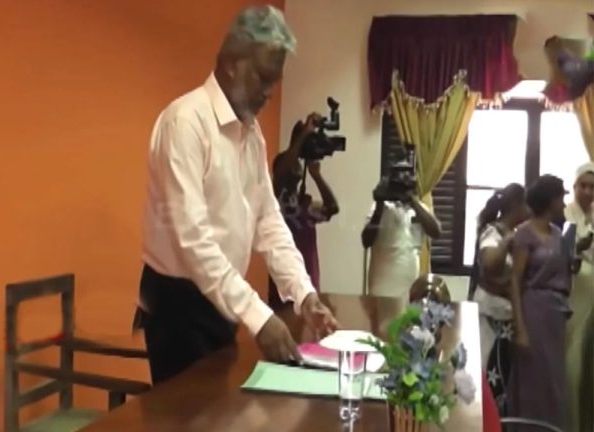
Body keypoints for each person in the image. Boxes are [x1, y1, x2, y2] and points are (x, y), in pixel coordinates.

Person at [139, 5, 339, 385]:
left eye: (274, 81)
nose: (269, 92)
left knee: (222, 410)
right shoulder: (185, 123)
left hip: (221, 299)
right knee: (189, 414)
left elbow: (268, 220)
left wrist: (304, 294)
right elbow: (193, 241)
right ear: (231, 63)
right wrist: (259, 316)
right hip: (178, 309)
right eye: (263, 77)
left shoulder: (251, 133)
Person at [507, 175, 571, 429]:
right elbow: (515, 280)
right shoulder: (525, 233)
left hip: (555, 313)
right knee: (533, 377)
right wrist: (520, 328)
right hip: (533, 310)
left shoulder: (558, 233)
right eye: (561, 197)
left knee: (553, 379)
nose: (564, 203)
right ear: (550, 200)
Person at [468, 183, 529, 415]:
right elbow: (489, 264)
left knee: (503, 378)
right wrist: (506, 242)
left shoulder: (519, 233)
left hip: (506, 320)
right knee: (486, 373)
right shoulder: (492, 232)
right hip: (489, 318)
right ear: (517, 206)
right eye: (527, 205)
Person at [267, 119, 339, 310]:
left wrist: (317, 176)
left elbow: (332, 208)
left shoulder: (304, 206)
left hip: (308, 285)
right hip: (284, 286)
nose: (296, 169)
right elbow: (283, 169)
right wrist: (303, 135)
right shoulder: (275, 205)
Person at [361, 174, 442, 336]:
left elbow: (436, 232)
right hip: (382, 284)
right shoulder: (380, 207)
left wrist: (413, 202)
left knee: (406, 330)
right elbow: (366, 240)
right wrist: (379, 203)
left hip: (409, 284)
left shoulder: (419, 208)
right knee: (381, 332)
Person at [565, 162, 594, 432]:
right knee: (572, 364)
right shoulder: (564, 215)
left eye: (592, 187)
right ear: (574, 187)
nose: (587, 191)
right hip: (573, 295)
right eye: (582, 186)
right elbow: (561, 256)